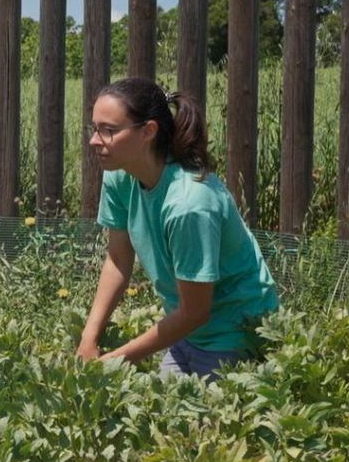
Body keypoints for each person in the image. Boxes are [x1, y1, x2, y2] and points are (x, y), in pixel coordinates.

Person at [76, 77, 279, 379]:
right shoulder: (120, 175)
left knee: (201, 424)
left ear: (148, 132)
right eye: (94, 128)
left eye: (109, 131)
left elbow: (196, 312)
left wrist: (116, 360)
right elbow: (118, 260)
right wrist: (88, 339)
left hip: (234, 333)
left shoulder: (190, 204)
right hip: (186, 330)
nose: (95, 140)